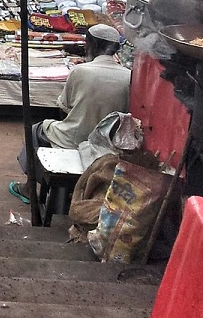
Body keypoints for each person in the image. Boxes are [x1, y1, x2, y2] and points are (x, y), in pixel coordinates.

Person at [9, 24, 130, 205]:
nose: (85, 47)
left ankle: (29, 188)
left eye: (87, 43)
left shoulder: (81, 71)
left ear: (94, 45)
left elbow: (64, 108)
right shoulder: (128, 75)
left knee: (36, 130)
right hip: (109, 141)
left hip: (78, 137)